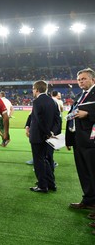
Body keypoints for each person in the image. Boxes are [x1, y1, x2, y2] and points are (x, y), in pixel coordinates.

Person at [65, 68, 95, 218]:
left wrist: (89, 114)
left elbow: (86, 114)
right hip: (79, 140)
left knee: (93, 173)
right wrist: (69, 140)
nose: (81, 81)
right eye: (79, 80)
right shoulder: (79, 96)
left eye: (84, 79)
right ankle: (89, 200)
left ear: (92, 80)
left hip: (91, 141)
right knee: (84, 173)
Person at [26, 80, 60, 193]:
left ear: (36, 89)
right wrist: (52, 133)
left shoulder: (36, 102)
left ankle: (42, 185)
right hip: (49, 137)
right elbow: (57, 120)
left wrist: (47, 133)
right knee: (46, 160)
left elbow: (40, 121)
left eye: (33, 89)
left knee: (39, 161)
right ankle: (51, 184)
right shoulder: (53, 101)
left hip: (38, 136)